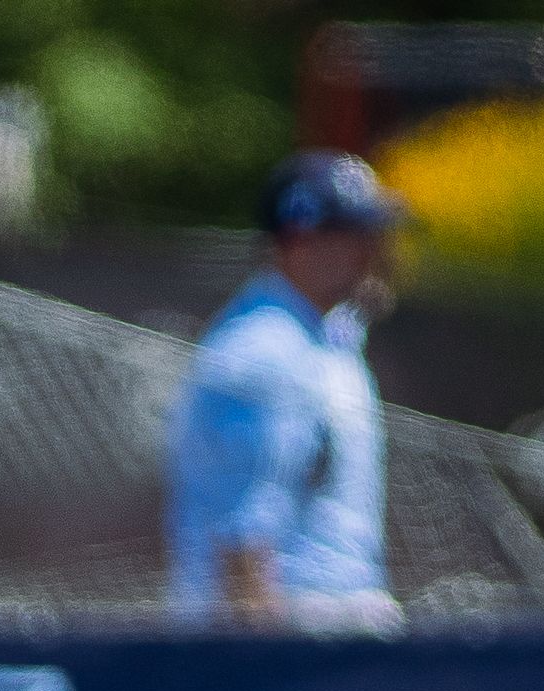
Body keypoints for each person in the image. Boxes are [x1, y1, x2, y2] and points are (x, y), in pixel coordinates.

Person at [165, 151, 405, 635]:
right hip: (291, 642)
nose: (375, 252)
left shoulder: (325, 336)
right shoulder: (263, 351)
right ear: (299, 240)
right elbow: (242, 541)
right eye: (355, 234)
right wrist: (270, 672)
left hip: (333, 635)